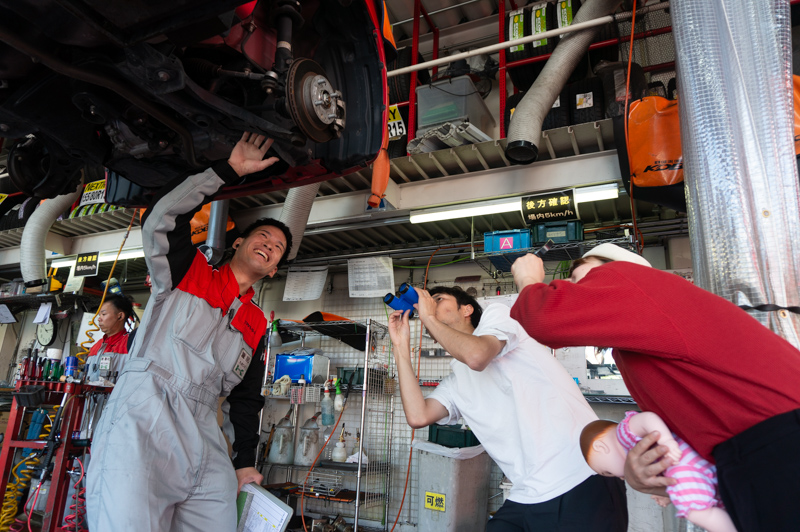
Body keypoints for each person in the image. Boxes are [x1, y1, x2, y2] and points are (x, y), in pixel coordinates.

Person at [509, 243, 800, 531]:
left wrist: (528, 279)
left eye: (576, 278)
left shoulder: (628, 278)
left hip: (775, 437)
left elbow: (543, 318)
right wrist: (640, 475)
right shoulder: (636, 348)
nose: (566, 285)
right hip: (752, 448)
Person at [87, 133, 292, 531]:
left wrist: (245, 462)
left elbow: (247, 399)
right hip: (145, 415)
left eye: (279, 247)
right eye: (262, 236)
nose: (270, 244)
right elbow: (161, 218)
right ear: (238, 243)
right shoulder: (188, 271)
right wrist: (227, 171)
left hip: (203, 431)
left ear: (273, 270)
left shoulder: (257, 324)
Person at [387, 286, 628, 532]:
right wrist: (400, 347)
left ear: (467, 309)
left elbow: (477, 355)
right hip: (527, 493)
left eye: (438, 299)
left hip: (579, 477)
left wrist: (427, 316)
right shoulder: (456, 382)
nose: (428, 305)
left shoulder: (499, 318)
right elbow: (418, 415)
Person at [581, 412, 736, 532]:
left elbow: (648, 419)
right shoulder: (636, 454)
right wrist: (668, 495)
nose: (619, 477)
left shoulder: (624, 434)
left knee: (697, 512)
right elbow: (666, 479)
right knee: (717, 504)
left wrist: (667, 441)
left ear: (601, 448)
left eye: (607, 472)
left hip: (681, 462)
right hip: (686, 466)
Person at [85, 294, 134, 382]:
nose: (99, 319)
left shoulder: (131, 344)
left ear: (120, 316)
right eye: (99, 315)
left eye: (103, 314)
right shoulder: (97, 346)